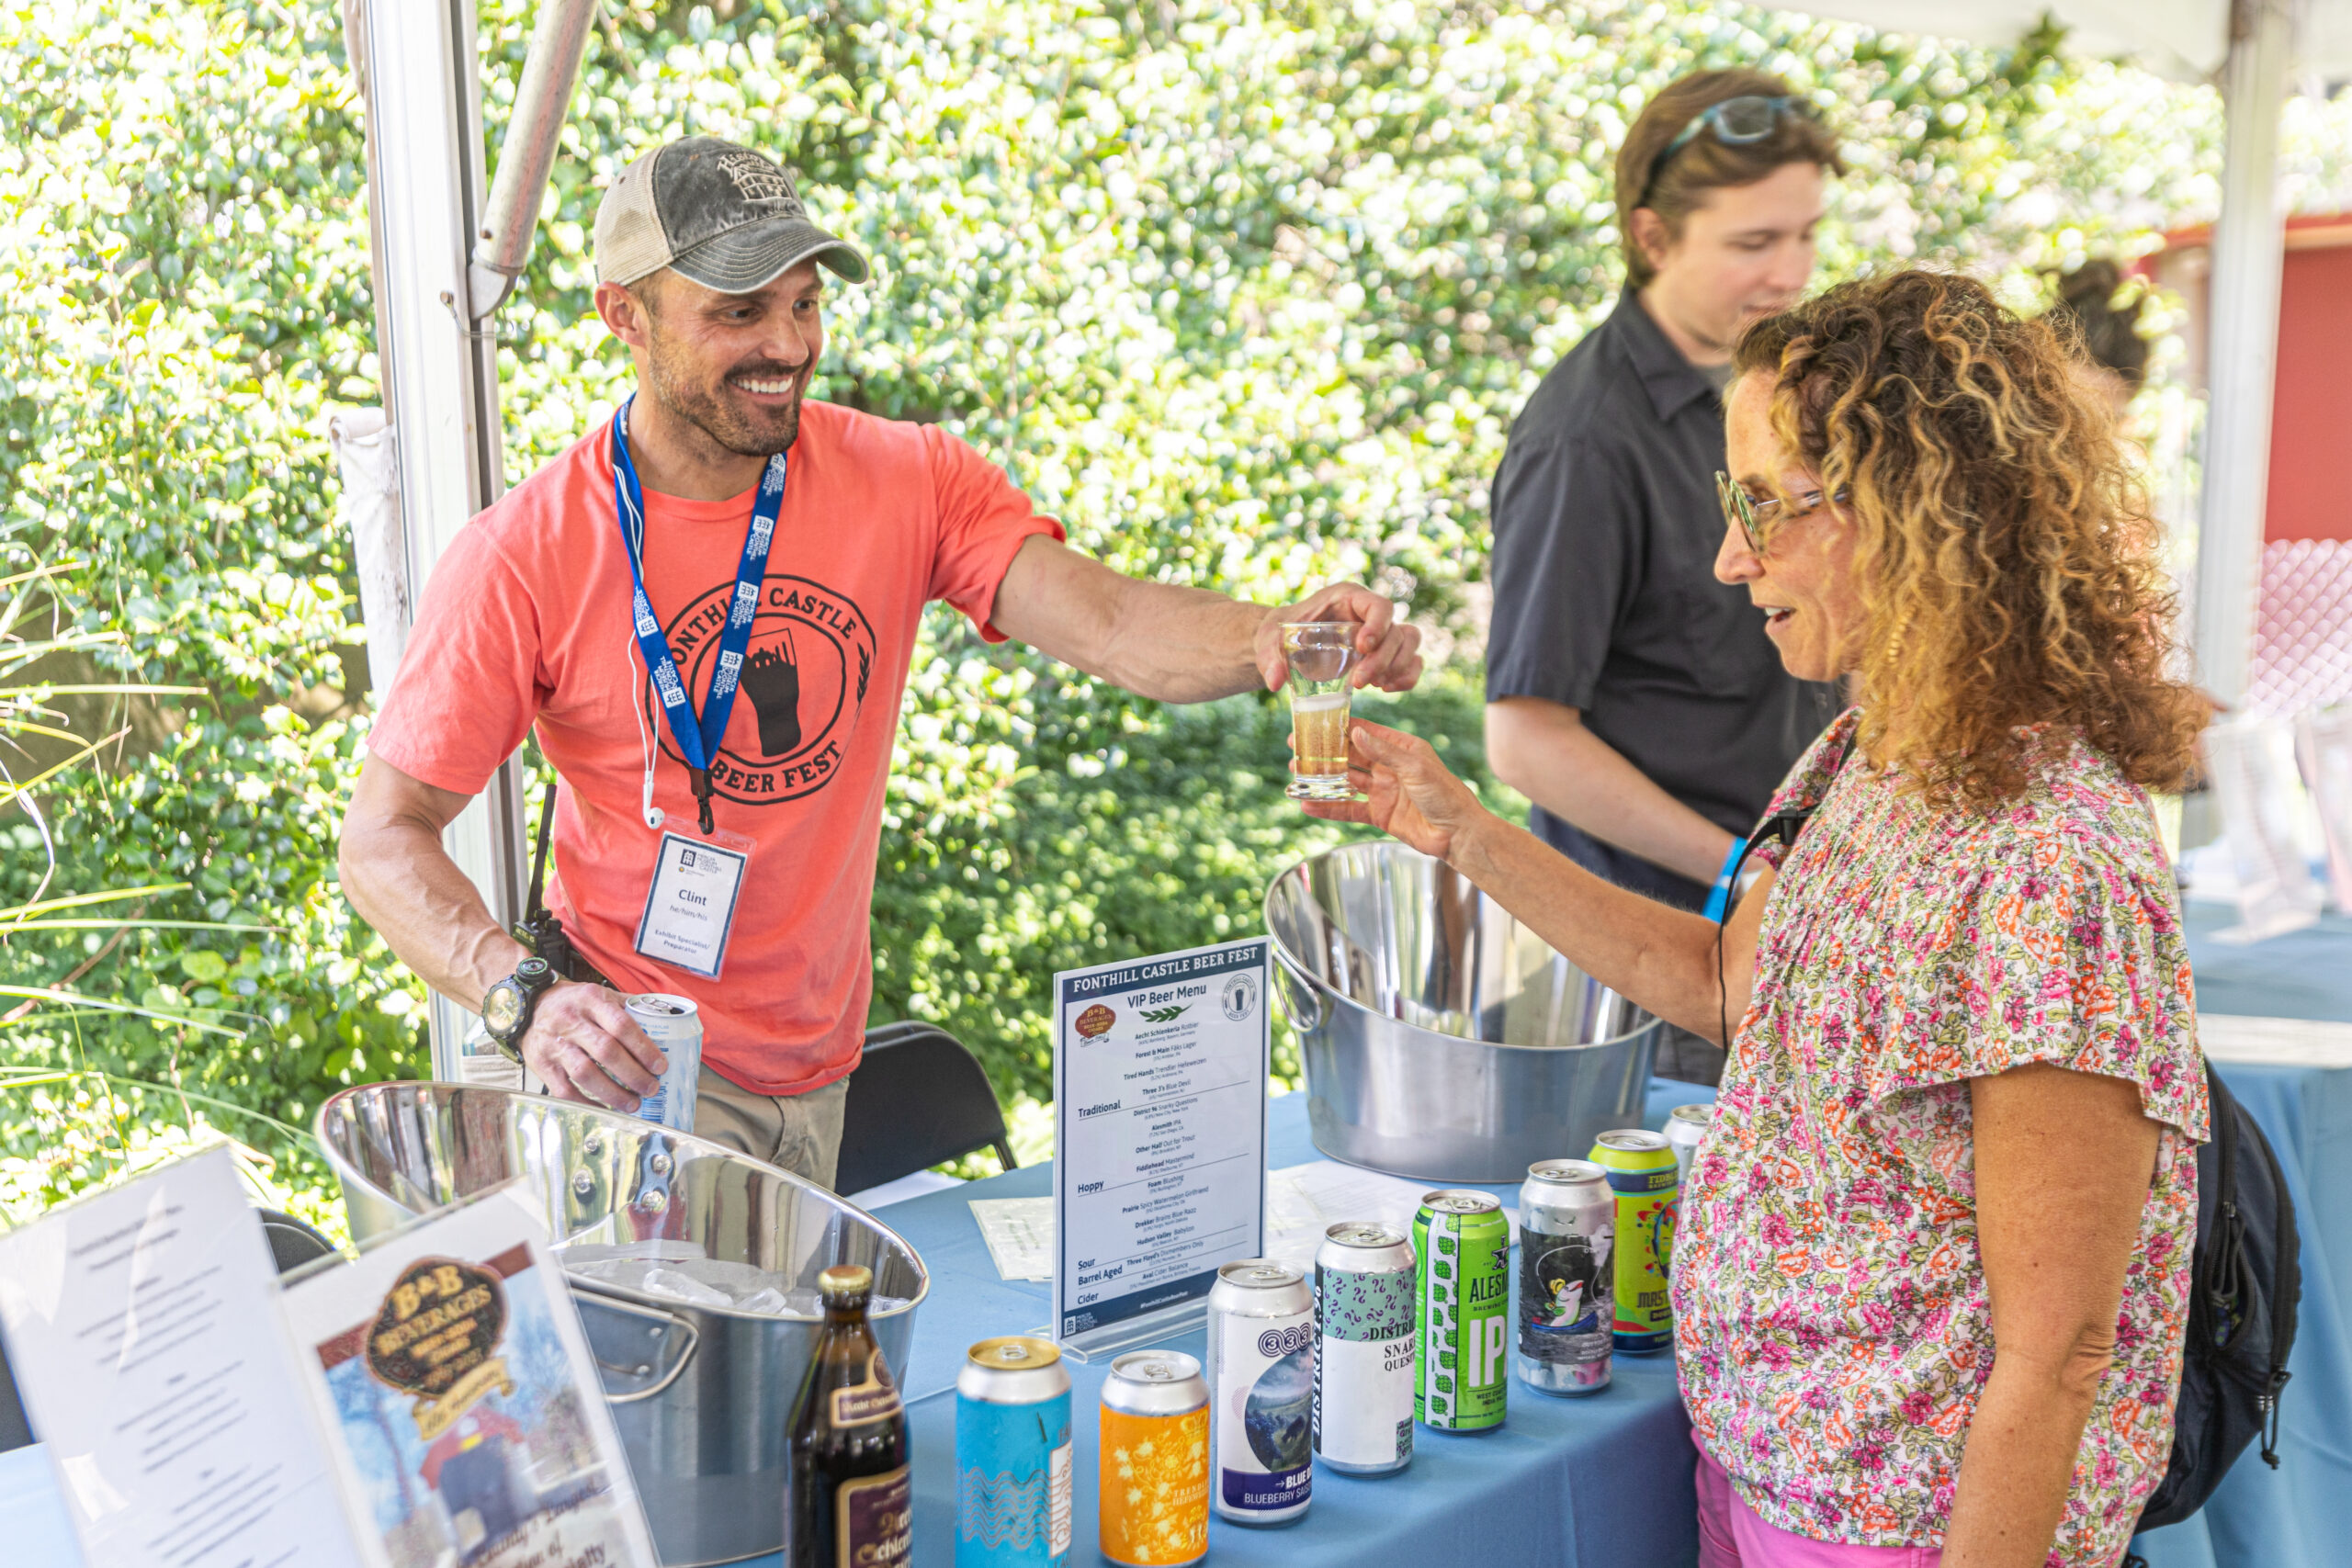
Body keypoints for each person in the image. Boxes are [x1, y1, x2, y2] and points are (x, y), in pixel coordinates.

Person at [1306, 270, 2209, 1567]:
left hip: (1902, 1533)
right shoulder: (1871, 747)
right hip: (1767, 1479)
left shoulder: (2048, 867)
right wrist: (1465, 832)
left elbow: (2059, 1349)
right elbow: (1740, 991)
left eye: (1761, 506)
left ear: (1905, 511)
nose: (1733, 557)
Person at [339, 137, 1422, 1187]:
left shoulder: (905, 478)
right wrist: (521, 996)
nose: (790, 343)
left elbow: (1111, 625)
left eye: (804, 302)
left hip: (819, 1073)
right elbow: (383, 839)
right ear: (623, 314)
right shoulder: (522, 553)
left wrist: (1274, 636)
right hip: (634, 1070)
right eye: (739, 310)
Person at [1483, 70, 1849, 1085]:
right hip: (1652, 967)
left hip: (1787, 926)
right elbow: (1523, 739)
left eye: (1805, 234)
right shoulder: (1585, 438)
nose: (1791, 271)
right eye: (1752, 244)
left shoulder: (1771, 397)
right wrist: (1743, 869)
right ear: (1651, 238)